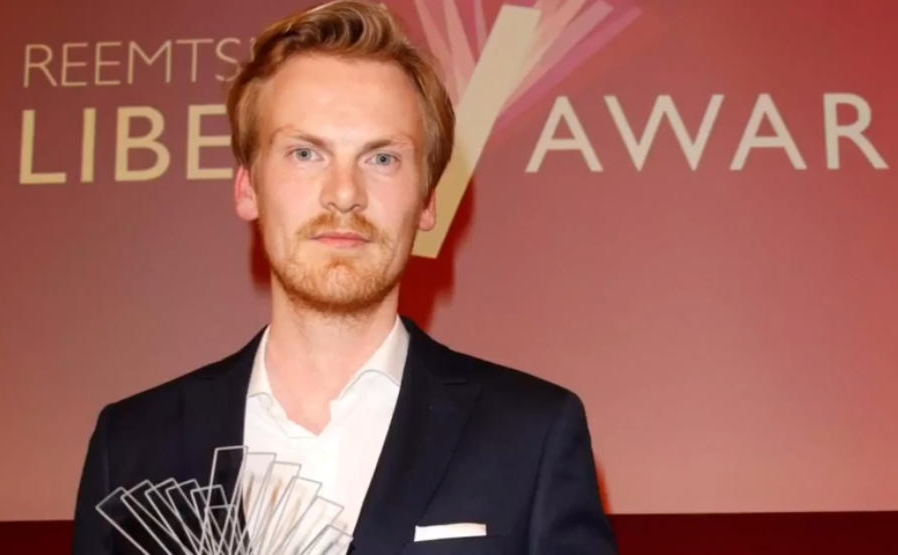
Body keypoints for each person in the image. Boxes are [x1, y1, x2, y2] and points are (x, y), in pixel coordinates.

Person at [72, 1, 617, 553]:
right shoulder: (133, 444)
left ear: (428, 201)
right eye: (305, 153)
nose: (344, 194)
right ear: (248, 188)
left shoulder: (533, 434)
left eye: (382, 159)